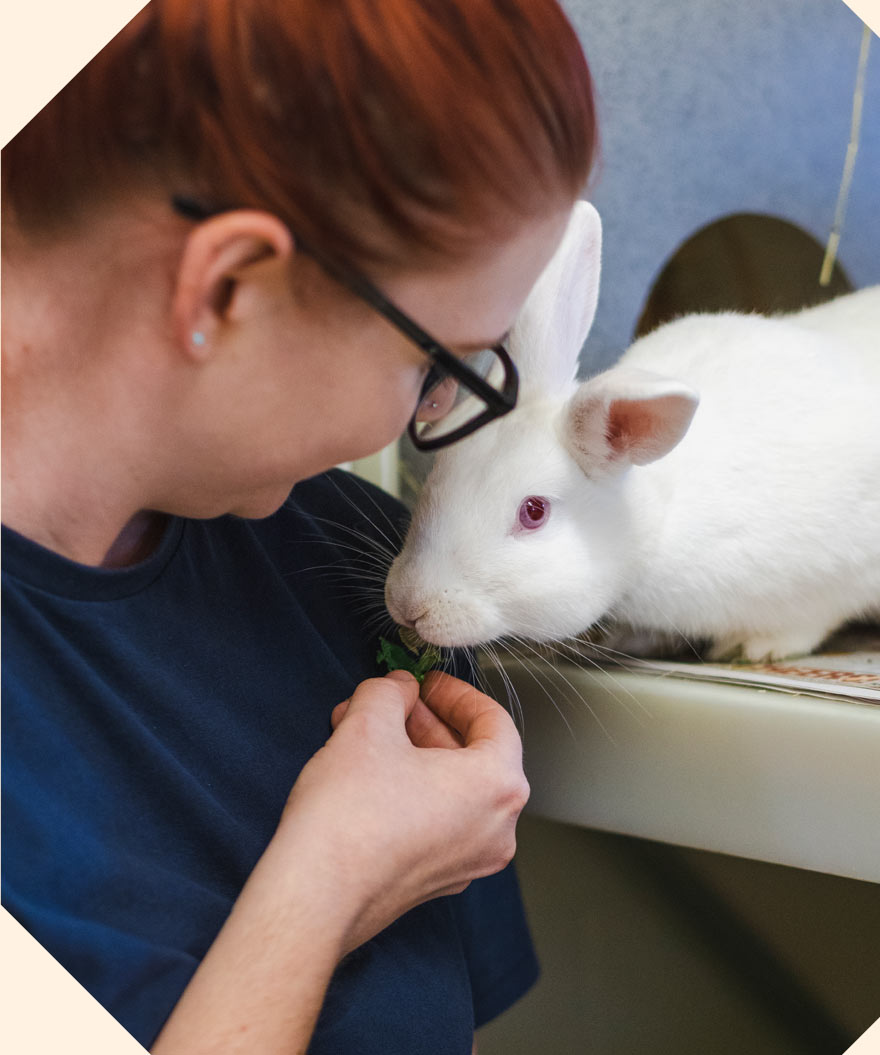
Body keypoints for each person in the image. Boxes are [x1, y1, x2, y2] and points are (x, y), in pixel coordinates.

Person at [0, 2, 597, 1052]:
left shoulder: (348, 581)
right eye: (438, 364)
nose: (419, 419)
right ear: (225, 286)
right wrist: (323, 886)